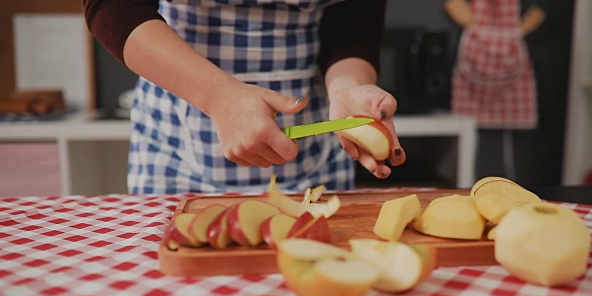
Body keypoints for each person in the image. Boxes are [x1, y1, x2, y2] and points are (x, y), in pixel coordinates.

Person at [83, 0, 406, 194]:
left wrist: (347, 86)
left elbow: (353, 28)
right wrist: (217, 96)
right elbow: (113, 7)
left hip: (315, 147)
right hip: (175, 147)